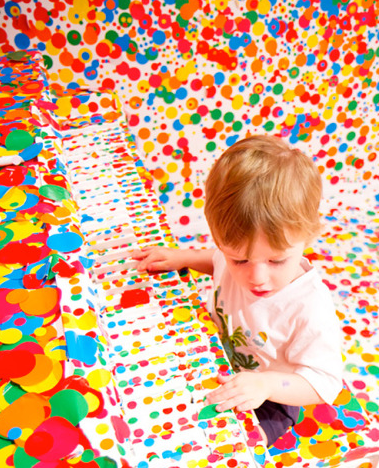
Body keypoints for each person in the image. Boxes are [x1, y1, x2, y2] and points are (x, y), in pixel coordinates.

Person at [132, 135, 343, 446]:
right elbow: (216, 259)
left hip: (272, 396)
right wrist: (186, 258)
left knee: (223, 443)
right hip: (212, 354)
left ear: (309, 236)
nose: (257, 277)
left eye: (276, 260)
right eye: (240, 259)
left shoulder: (310, 309)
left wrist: (267, 385)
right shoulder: (232, 254)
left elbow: (324, 383)